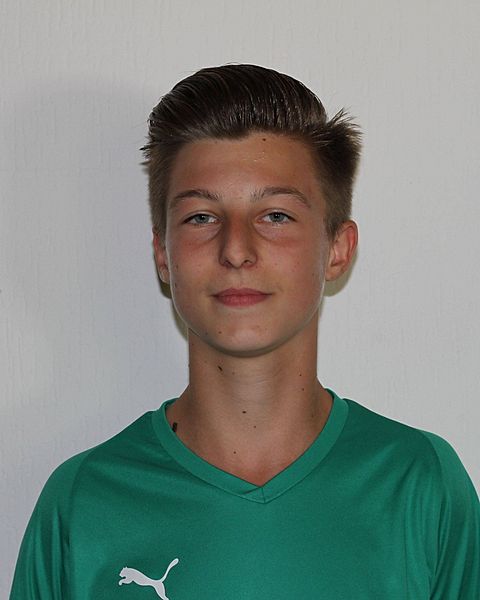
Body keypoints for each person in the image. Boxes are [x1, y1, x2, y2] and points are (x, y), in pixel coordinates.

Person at [10, 64, 479, 599]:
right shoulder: (83, 503)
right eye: (201, 217)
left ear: (337, 248)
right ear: (163, 254)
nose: (236, 250)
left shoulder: (420, 486)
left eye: (275, 215)